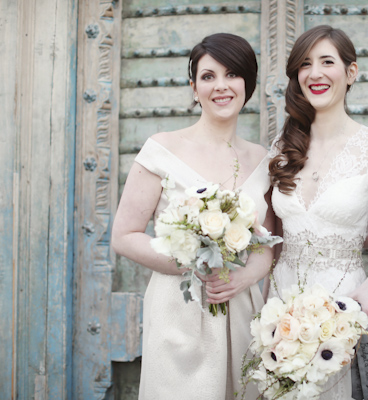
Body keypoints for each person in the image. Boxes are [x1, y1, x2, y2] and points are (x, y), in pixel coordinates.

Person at [111, 33, 274, 399]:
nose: (221, 86)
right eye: (208, 76)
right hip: (178, 311)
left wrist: (243, 277)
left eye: (232, 74)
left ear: (248, 83)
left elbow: (269, 244)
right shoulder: (161, 150)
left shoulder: (262, 161)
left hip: (242, 310)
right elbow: (124, 235)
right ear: (193, 87)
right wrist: (190, 262)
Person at [266, 25, 368, 399]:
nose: (315, 73)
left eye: (327, 61)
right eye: (305, 64)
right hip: (280, 303)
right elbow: (274, 236)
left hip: (345, 304)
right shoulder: (281, 148)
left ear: (351, 72)